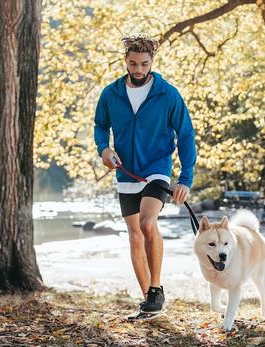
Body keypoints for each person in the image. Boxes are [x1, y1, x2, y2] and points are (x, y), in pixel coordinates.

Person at [93, 33, 196, 320]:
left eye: (143, 64)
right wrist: (104, 149)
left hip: (156, 169)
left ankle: (155, 288)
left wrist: (185, 179)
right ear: (125, 61)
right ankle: (149, 304)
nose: (138, 69)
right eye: (133, 63)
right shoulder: (110, 93)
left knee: (147, 222)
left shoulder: (167, 94)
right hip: (125, 171)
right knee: (134, 236)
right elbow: (100, 126)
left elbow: (186, 135)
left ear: (152, 62)